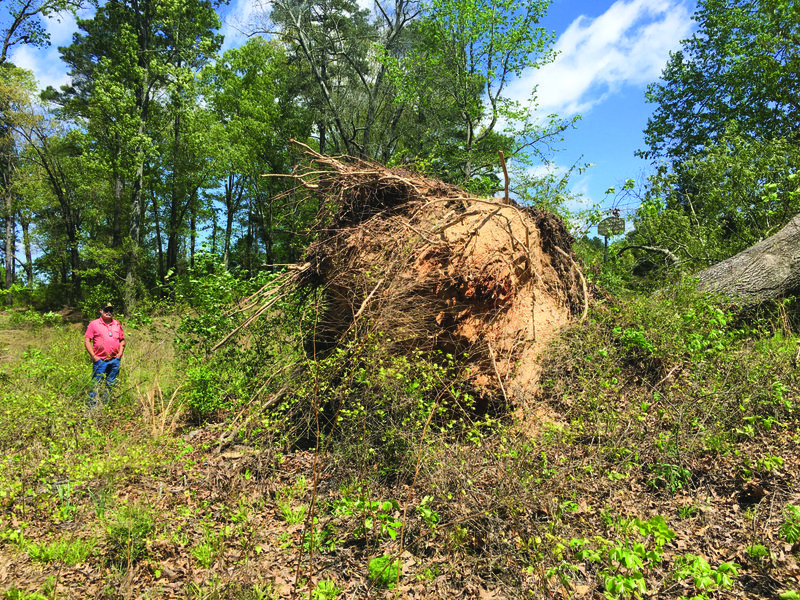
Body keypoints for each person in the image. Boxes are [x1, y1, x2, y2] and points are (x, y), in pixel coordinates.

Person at [84, 302, 126, 405]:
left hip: (114, 360)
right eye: (106, 310)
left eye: (110, 310)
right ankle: (92, 407)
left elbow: (122, 340)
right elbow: (87, 341)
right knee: (96, 384)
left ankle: (106, 405)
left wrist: (120, 353)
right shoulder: (94, 324)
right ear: (101, 311)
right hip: (100, 361)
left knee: (110, 384)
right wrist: (94, 356)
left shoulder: (117, 324)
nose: (108, 312)